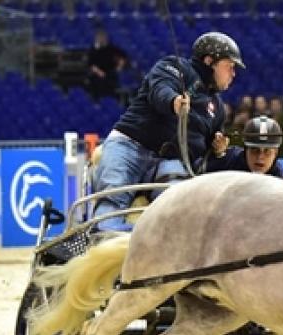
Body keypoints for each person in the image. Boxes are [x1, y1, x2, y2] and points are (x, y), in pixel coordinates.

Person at [90, 31, 244, 231]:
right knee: (112, 200)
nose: (233, 73)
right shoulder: (174, 67)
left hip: (170, 161)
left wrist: (218, 150)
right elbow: (161, 90)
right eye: (230, 66)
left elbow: (205, 157)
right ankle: (102, 237)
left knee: (176, 214)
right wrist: (174, 102)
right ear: (209, 61)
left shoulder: (218, 108)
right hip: (130, 145)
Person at [86, 28, 129, 101]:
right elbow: (91, 64)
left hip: (111, 74)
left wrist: (119, 67)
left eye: (103, 37)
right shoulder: (93, 50)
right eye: (100, 37)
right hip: (98, 76)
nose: (102, 39)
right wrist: (100, 73)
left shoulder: (111, 47)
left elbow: (123, 56)